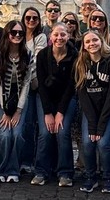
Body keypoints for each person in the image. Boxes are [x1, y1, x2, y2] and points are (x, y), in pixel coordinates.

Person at [75, 30, 110, 194]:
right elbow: (82, 95)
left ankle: (109, 178)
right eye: (88, 42)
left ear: (101, 41)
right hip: (90, 111)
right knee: (88, 142)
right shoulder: (81, 63)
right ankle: (91, 177)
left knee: (103, 143)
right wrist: (92, 124)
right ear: (84, 46)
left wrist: (100, 126)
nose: (92, 44)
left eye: (95, 40)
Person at [33, 22, 78, 187]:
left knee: (62, 132)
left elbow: (71, 86)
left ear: (68, 36)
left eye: (63, 34)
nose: (59, 38)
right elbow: (41, 85)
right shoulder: (43, 55)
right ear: (50, 36)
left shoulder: (75, 55)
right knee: (45, 133)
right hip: (45, 98)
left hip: (66, 99)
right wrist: (48, 112)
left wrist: (60, 111)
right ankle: (41, 171)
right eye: (56, 34)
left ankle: (65, 172)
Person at [0, 21, 32, 182]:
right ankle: (1, 169)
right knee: (4, 134)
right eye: (13, 32)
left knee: (17, 134)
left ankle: (13, 169)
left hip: (20, 97)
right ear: (7, 34)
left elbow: (26, 84)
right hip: (0, 98)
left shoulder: (28, 55)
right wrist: (6, 110)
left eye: (20, 33)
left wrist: (18, 110)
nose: (17, 35)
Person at [18, 6, 48, 173]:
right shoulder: (18, 35)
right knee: (25, 124)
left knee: (33, 124)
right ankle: (23, 160)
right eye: (28, 18)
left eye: (34, 18)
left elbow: (37, 60)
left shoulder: (41, 37)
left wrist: (22, 69)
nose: (31, 21)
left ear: (39, 21)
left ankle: (31, 161)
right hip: (21, 85)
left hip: (34, 85)